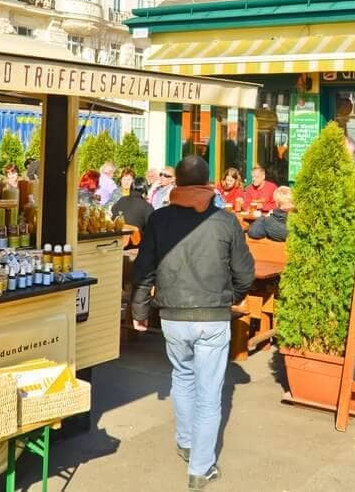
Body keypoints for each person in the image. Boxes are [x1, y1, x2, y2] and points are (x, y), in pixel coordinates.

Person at [132, 156, 254, 490]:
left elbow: (143, 269)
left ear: (177, 184)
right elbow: (245, 272)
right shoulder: (226, 221)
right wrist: (234, 295)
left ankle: (186, 443)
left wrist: (140, 311)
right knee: (209, 392)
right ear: (208, 184)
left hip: (172, 314)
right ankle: (201, 467)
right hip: (212, 315)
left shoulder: (159, 219)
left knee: (182, 377)